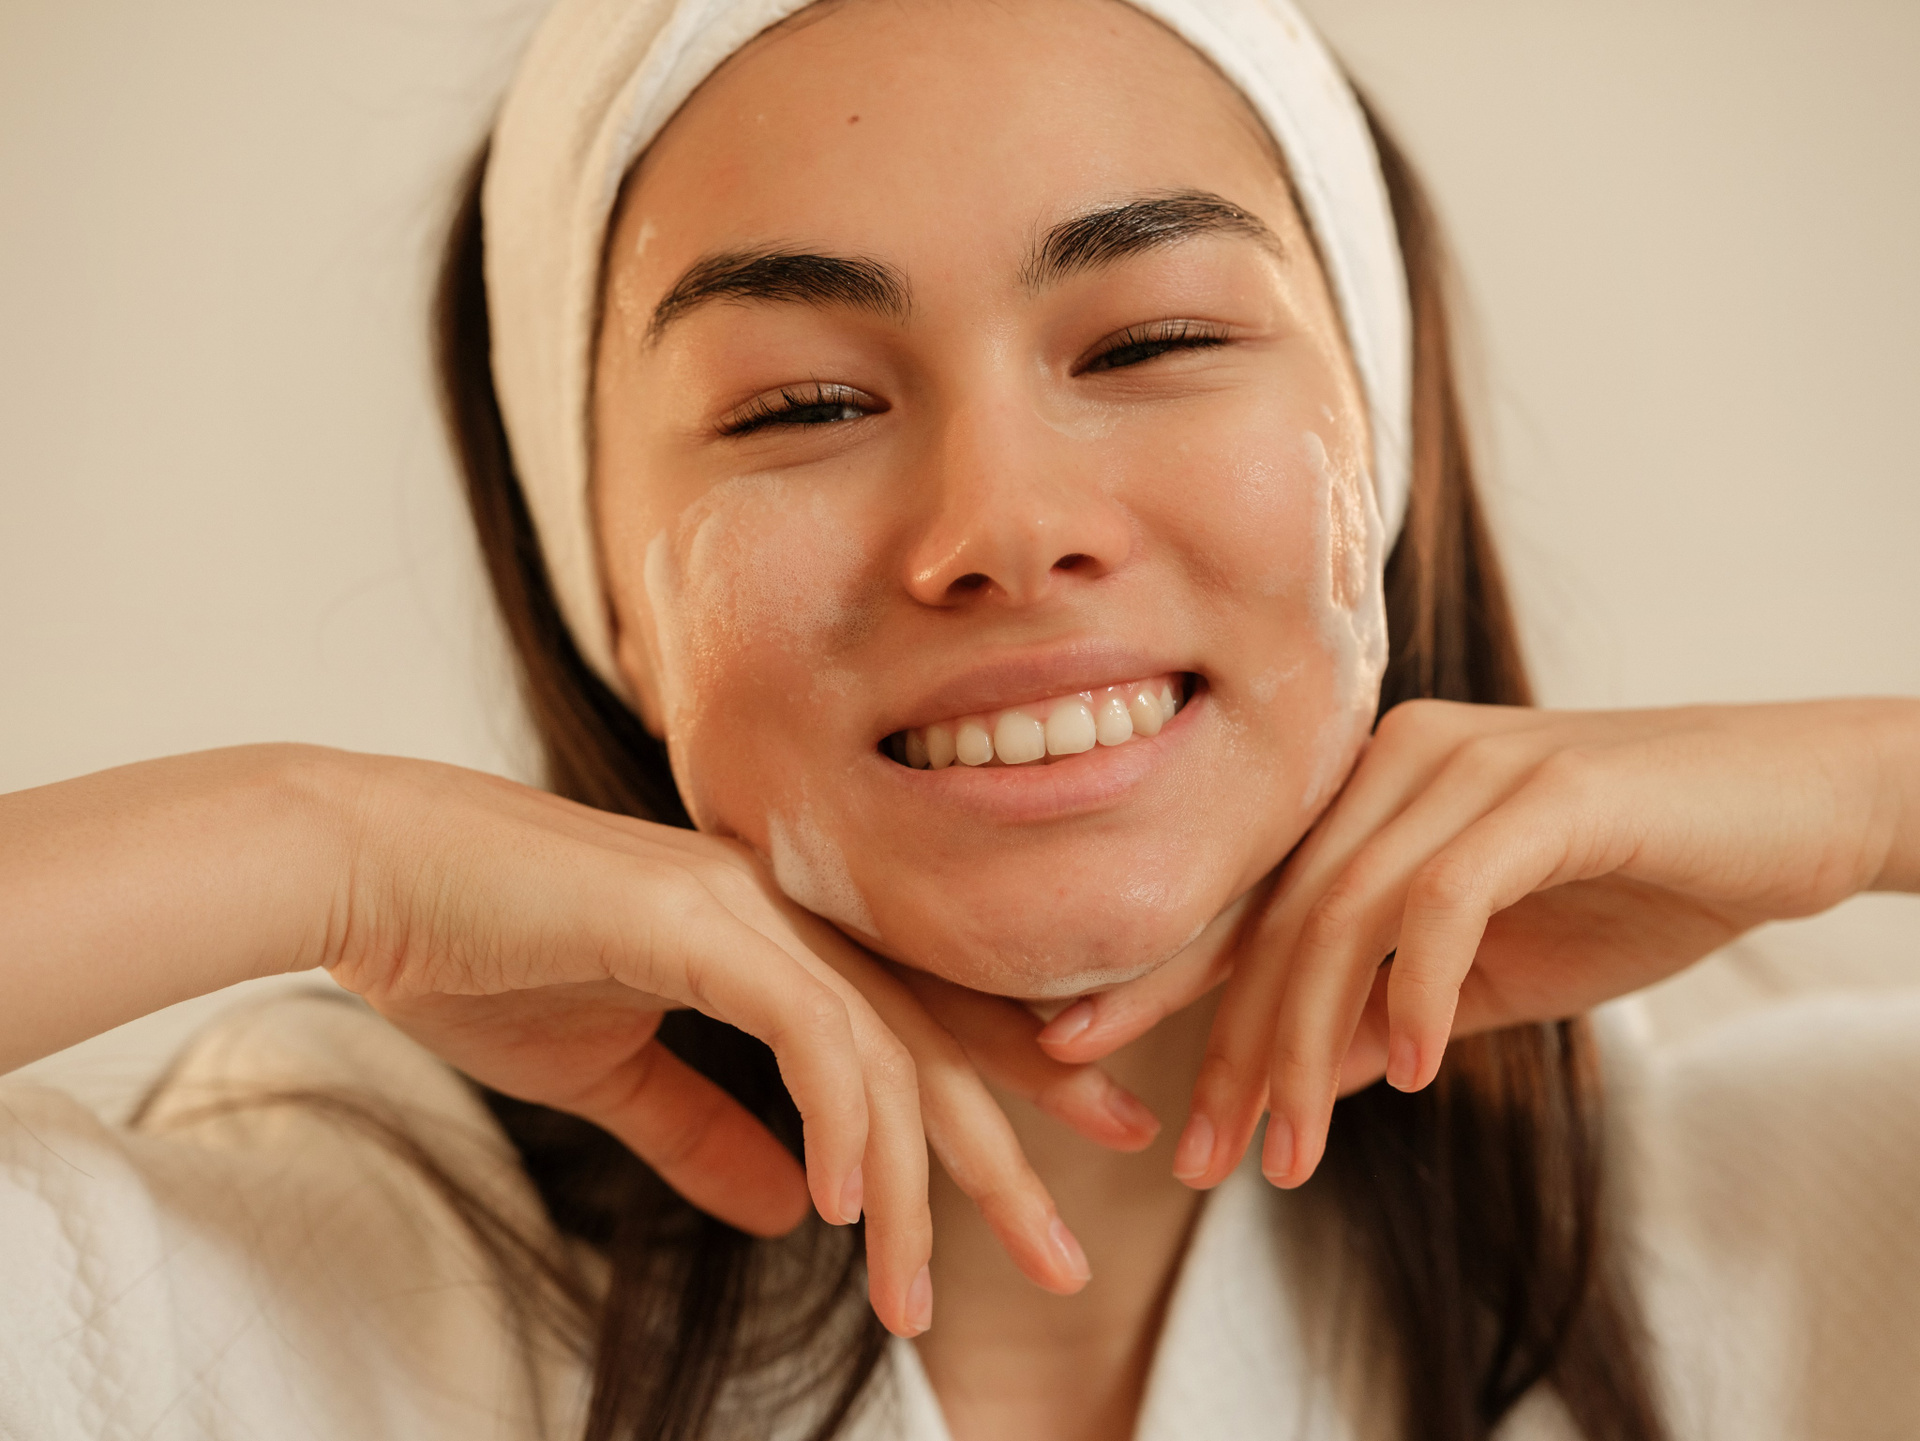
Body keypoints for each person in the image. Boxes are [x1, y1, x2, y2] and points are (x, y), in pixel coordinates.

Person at [4, 1, 1917, 1438]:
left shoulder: (1787, 1218)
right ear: (605, 592)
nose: (1002, 527)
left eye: (1154, 341)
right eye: (800, 406)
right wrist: (315, 846)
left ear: (1383, 455)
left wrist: (1874, 789)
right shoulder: (291, 1286)